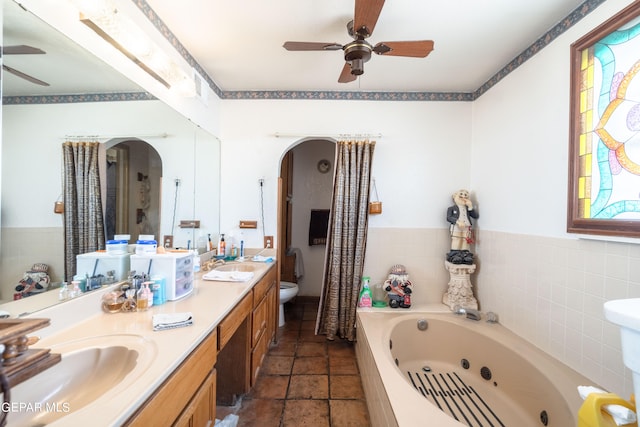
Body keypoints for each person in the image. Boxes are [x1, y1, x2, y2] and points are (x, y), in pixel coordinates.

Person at [446, 189, 478, 264]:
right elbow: (449, 217)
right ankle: (455, 253)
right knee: (457, 239)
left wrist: (470, 207)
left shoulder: (467, 209)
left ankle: (464, 253)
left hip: (466, 227)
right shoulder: (451, 208)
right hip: (456, 227)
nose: (463, 197)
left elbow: (475, 216)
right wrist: (457, 221)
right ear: (455, 197)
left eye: (465, 196)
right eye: (461, 195)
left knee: (465, 240)